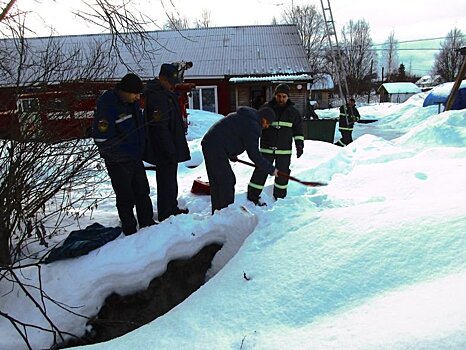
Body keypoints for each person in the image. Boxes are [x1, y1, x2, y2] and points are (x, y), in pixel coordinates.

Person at [92, 73, 155, 235]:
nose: (137, 97)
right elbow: (101, 139)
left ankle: (147, 223)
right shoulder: (108, 106)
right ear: (124, 91)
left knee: (142, 192)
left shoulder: (131, 103)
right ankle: (129, 229)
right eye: (134, 94)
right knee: (125, 197)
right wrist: (121, 155)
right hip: (118, 162)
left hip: (134, 158)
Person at [201, 106, 279, 214]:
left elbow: (232, 134)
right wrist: (271, 169)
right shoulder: (253, 126)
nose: (266, 127)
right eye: (268, 124)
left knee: (218, 181)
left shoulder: (247, 118)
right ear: (264, 119)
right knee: (227, 181)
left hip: (211, 144)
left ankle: (218, 213)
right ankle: (225, 214)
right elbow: (254, 154)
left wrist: (230, 153)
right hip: (215, 147)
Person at [143, 63, 191, 222]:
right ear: (162, 78)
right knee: (165, 182)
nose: (173, 84)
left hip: (171, 147)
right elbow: (160, 127)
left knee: (171, 180)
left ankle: (172, 207)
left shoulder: (166, 93)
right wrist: (169, 149)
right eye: (170, 81)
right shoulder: (158, 96)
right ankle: (166, 213)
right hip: (164, 149)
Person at [247, 83, 304, 205]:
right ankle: (252, 196)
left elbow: (298, 130)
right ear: (275, 95)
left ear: (288, 97)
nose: (281, 99)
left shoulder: (293, 112)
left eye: (284, 96)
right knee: (260, 171)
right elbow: (256, 126)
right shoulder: (266, 108)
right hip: (267, 149)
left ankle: (280, 198)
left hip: (284, 151)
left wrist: (299, 145)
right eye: (279, 96)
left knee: (282, 174)